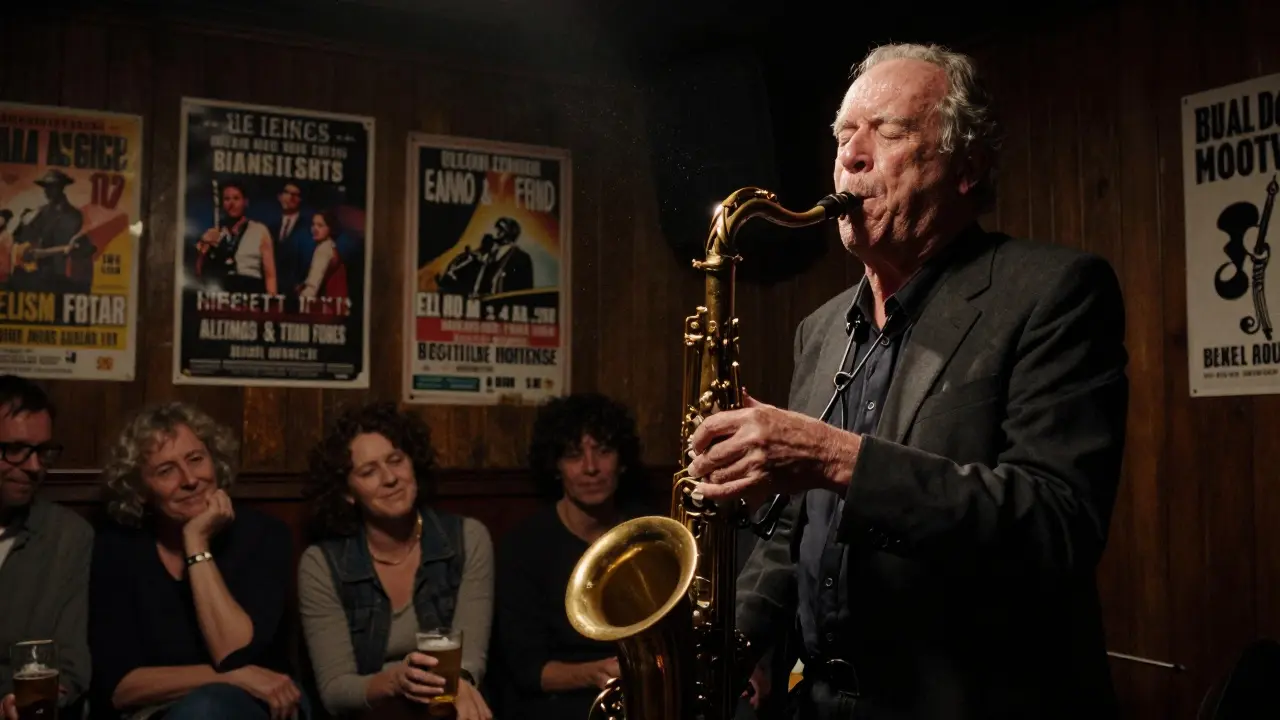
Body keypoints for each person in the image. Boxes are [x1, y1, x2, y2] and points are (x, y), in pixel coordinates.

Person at [687, 43, 1129, 720]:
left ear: (967, 167)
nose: (852, 157)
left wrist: (833, 457)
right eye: (843, 136)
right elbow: (797, 530)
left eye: (888, 133)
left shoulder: (1055, 292)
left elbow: (1055, 523)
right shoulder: (821, 328)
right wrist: (733, 640)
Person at [89, 402, 304, 720]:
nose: (189, 479)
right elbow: (119, 688)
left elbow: (232, 652)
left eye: (196, 459)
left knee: (206, 710)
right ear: (140, 490)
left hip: (263, 707)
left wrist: (196, 542)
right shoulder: (118, 549)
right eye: (166, 471)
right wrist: (230, 676)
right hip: (159, 713)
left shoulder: (263, 536)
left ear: (214, 460)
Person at [297, 401, 494, 720]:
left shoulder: (467, 538)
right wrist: (395, 681)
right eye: (368, 472)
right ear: (348, 492)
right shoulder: (322, 563)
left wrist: (457, 685)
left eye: (396, 460)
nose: (390, 478)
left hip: (450, 705)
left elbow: (470, 658)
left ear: (412, 464)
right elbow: (335, 690)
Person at [492, 392, 653, 720]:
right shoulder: (523, 546)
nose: (591, 468)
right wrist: (597, 673)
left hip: (644, 690)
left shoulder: (649, 533)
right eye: (574, 455)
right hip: (561, 701)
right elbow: (529, 671)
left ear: (621, 462)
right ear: (556, 466)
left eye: (604, 451)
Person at [0, 376, 92, 716]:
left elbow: (71, 663)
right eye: (13, 450)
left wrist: (28, 700)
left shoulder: (66, 537)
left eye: (43, 451)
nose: (34, 467)